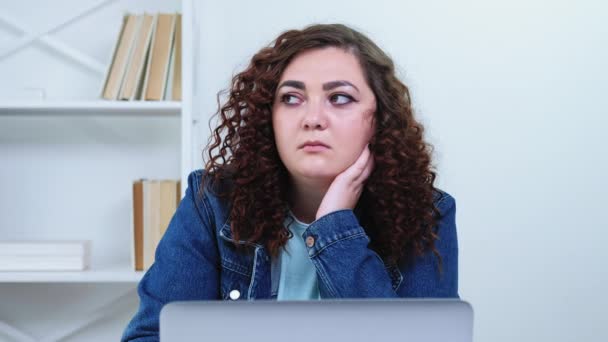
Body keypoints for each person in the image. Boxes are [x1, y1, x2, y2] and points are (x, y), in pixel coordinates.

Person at [122, 23, 459, 341]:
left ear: (378, 120)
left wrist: (334, 228)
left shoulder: (427, 213)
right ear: (269, 118)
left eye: (340, 98)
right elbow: (150, 336)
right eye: (291, 98)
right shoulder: (213, 203)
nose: (312, 119)